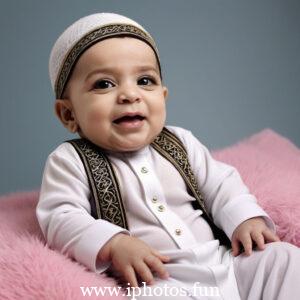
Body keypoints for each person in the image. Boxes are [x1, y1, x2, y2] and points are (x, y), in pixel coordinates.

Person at [36, 12, 300, 299]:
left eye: (145, 80)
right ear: (68, 113)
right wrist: (114, 244)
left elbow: (220, 185)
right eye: (104, 84)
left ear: (162, 97)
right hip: (159, 280)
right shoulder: (70, 160)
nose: (129, 95)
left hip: (226, 264)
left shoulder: (180, 141)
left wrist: (244, 219)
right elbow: (60, 216)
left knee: (283, 259)